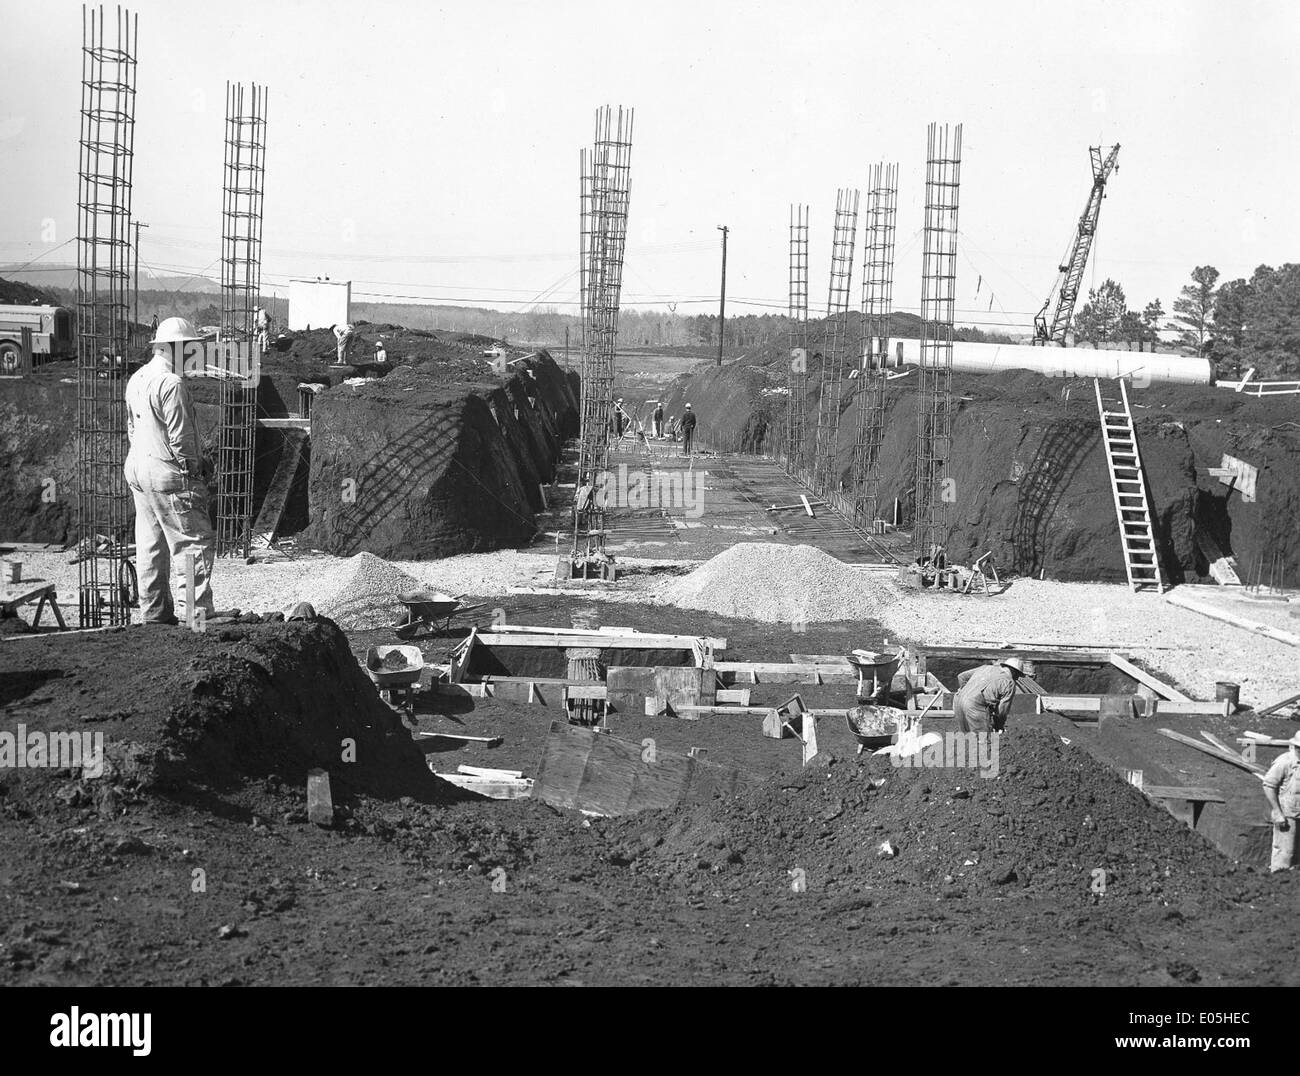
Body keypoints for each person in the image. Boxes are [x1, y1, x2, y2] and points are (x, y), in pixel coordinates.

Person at [123, 317, 216, 625]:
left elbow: (132, 428)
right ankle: (195, 617)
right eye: (192, 348)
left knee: (150, 545)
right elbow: (181, 438)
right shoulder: (171, 383)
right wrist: (195, 471)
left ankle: (154, 616)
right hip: (168, 475)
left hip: (139, 470)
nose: (194, 353)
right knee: (191, 545)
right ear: (180, 347)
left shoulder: (138, 377)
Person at [952, 657, 1025, 734]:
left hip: (957, 701)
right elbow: (1002, 711)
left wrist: (966, 692)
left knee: (966, 737)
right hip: (974, 705)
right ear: (1014, 671)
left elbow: (961, 677)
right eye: (1018, 675)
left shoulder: (985, 668)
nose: (1017, 678)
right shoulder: (1009, 683)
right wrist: (999, 725)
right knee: (983, 740)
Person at [1263, 732, 1300, 872]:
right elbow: (1268, 785)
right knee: (1285, 854)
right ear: (1296, 747)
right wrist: (1277, 813)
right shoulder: (1284, 762)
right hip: (1287, 815)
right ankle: (1279, 883)